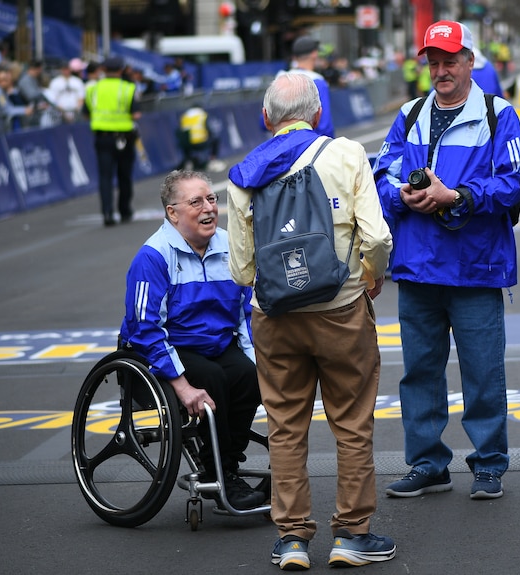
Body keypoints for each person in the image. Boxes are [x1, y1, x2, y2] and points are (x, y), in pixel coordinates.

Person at [227, 72, 394, 570]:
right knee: (352, 424)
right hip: (341, 310)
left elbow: (240, 269)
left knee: (284, 428)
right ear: (318, 114)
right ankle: (351, 534)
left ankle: (294, 538)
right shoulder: (346, 154)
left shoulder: (243, 174)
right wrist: (369, 276)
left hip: (275, 318)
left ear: (265, 118)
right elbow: (379, 238)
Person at [373, 20, 520, 501]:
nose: (440, 70)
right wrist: (401, 196)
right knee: (419, 372)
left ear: (469, 62)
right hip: (417, 267)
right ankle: (427, 464)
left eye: (449, 61)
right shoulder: (410, 113)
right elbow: (379, 176)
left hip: (474, 268)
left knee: (483, 373)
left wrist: (455, 196)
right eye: (433, 62)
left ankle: (488, 464)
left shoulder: (499, 115)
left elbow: (513, 186)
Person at [119, 169, 265, 511]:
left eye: (212, 199)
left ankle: (225, 464)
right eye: (195, 202)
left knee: (248, 376)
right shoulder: (153, 256)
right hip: (163, 350)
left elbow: (247, 314)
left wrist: (262, 365)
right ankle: (221, 471)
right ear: (173, 213)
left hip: (215, 344)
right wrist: (182, 386)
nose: (209, 208)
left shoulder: (231, 246)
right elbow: (144, 328)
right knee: (213, 379)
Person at [83, 56, 141, 226]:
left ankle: (107, 213)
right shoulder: (128, 88)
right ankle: (124, 210)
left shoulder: (93, 89)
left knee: (105, 176)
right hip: (124, 137)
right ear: (121, 70)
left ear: (103, 69)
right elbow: (136, 114)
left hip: (102, 137)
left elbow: (86, 112)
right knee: (124, 175)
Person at [282, 36, 335, 138]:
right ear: (314, 54)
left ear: (295, 57)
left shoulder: (280, 79)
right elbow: (325, 125)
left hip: (282, 145)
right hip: (311, 144)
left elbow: (265, 120)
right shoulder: (317, 82)